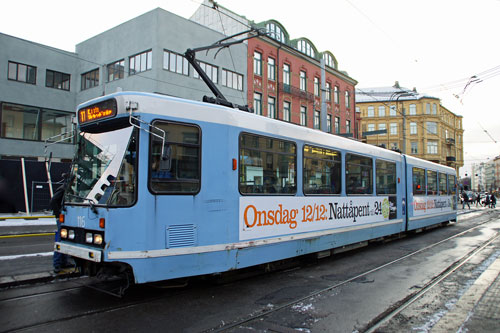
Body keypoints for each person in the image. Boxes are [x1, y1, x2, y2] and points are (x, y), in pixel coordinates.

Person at [49, 173, 71, 273]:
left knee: (64, 239)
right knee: (60, 239)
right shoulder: (64, 189)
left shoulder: (66, 188)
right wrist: (59, 214)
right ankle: (57, 263)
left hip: (65, 217)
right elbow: (53, 201)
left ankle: (63, 261)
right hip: (62, 217)